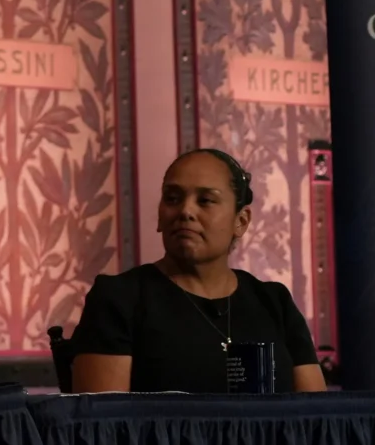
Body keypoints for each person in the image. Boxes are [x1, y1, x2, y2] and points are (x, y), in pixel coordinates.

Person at [69, 148, 328, 393]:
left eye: (205, 200)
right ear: (160, 216)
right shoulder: (120, 298)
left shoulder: (274, 302)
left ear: (241, 221)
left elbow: (316, 417)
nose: (185, 211)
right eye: (172, 198)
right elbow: (103, 426)